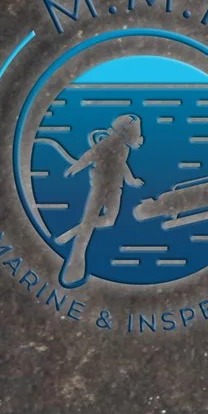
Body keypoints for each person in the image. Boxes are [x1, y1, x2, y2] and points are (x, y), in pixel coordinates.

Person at [56, 112, 144, 288]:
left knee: (106, 221)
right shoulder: (109, 143)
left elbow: (121, 164)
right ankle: (75, 262)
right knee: (99, 223)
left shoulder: (121, 148)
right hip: (103, 187)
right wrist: (77, 166)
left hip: (113, 188)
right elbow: (91, 155)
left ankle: (73, 233)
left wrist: (131, 179)